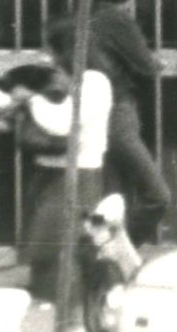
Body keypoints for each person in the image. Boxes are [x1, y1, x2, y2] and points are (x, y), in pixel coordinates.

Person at [14, 17, 112, 306]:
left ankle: (69, 326)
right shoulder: (66, 78)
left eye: (53, 49)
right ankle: (54, 321)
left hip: (77, 175)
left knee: (65, 256)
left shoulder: (95, 81)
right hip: (50, 170)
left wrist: (31, 100)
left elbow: (62, 123)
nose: (48, 56)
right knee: (46, 257)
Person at [85, 0, 172, 246]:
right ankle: (120, 248)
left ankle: (106, 258)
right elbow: (147, 64)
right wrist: (159, 62)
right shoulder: (117, 20)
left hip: (96, 114)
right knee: (157, 194)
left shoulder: (90, 18)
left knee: (113, 194)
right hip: (119, 112)